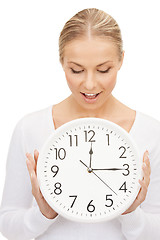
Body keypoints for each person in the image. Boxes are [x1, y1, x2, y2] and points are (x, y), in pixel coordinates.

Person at [0, 7, 159, 240]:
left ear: (121, 60)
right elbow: (7, 224)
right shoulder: (30, 128)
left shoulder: (151, 132)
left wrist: (131, 212)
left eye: (104, 69)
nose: (90, 84)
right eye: (76, 70)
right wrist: (42, 213)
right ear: (61, 61)